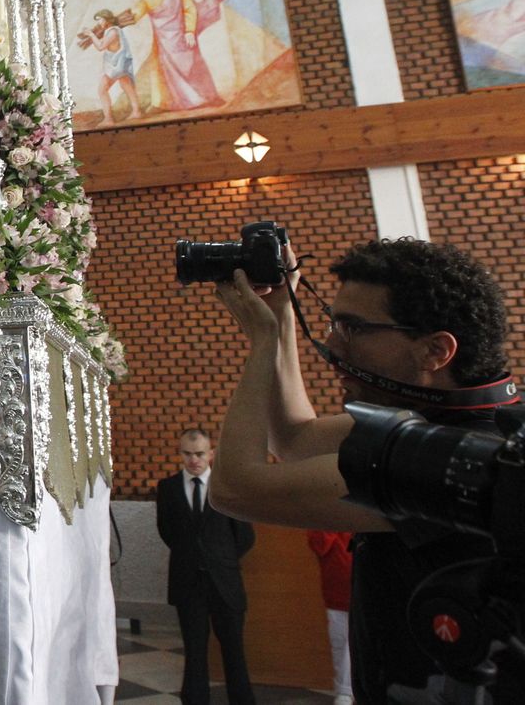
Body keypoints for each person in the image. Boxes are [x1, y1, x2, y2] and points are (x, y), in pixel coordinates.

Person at [209, 237, 517, 703]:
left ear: (435, 351)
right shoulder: (444, 419)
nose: (331, 344)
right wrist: (281, 318)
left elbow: (235, 488)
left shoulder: (461, 452)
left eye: (351, 327)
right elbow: (295, 439)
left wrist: (263, 344)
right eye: (333, 322)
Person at [155, 427, 257, 705]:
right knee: (194, 652)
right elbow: (167, 532)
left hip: (225, 582)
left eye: (199, 454)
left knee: (234, 651)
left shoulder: (226, 486)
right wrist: (193, 557)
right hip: (188, 583)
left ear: (211, 454)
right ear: (180, 454)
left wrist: (218, 560)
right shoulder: (168, 488)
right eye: (187, 454)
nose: (193, 460)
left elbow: (245, 537)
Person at [306, 529, 353, 705]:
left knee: (355, 642)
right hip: (336, 587)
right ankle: (344, 691)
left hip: (362, 585)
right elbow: (319, 545)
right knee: (340, 642)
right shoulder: (324, 515)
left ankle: (347, 690)